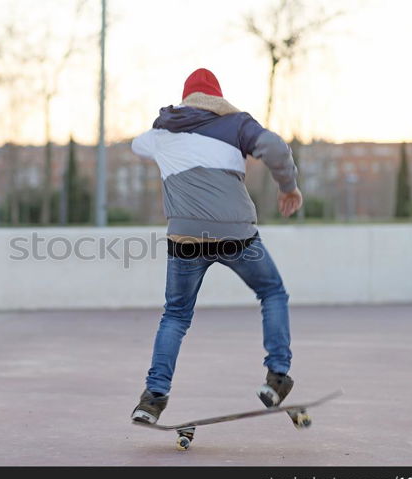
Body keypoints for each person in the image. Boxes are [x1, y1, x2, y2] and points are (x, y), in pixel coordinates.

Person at [130, 68, 303, 424]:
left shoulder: (163, 131)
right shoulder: (236, 125)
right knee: (272, 292)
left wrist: (168, 137)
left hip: (186, 239)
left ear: (187, 98)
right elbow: (274, 147)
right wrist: (288, 187)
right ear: (218, 99)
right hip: (236, 236)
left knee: (175, 316)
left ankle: (152, 399)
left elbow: (137, 145)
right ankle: (277, 377)